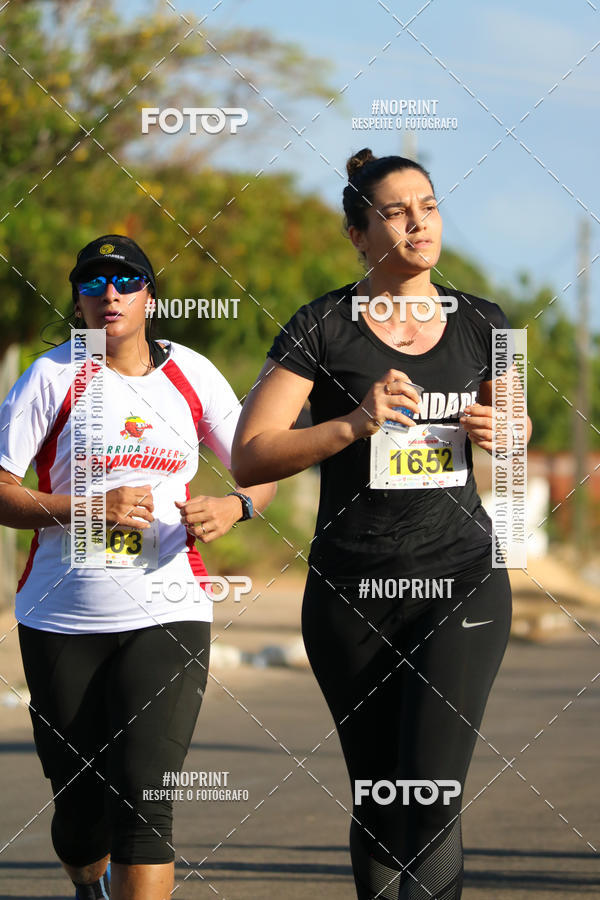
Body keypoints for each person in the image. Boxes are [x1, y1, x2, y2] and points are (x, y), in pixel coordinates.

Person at [232, 150, 532, 899]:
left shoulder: (487, 322)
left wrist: (508, 434)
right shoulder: (321, 325)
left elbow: (519, 434)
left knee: (428, 795)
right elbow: (251, 457)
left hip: (459, 578)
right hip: (349, 590)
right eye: (395, 211)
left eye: (427, 205)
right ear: (358, 234)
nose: (418, 222)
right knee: (380, 800)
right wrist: (353, 424)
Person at [0, 234, 275, 900]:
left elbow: (263, 463)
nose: (109, 295)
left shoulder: (192, 374)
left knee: (146, 801)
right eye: (92, 284)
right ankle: (86, 883)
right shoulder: (53, 376)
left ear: (150, 295)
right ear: (78, 301)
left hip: (170, 609)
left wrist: (236, 506)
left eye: (125, 282)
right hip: (60, 615)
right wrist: (86, 508)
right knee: (79, 811)